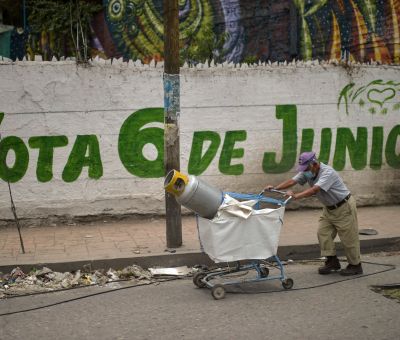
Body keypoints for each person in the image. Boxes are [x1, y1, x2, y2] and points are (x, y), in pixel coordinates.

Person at [265, 151, 363, 276]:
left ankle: (355, 265)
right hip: (329, 208)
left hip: (343, 207)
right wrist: (274, 188)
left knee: (349, 239)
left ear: (314, 164)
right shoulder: (308, 172)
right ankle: (332, 262)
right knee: (323, 234)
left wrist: (296, 196)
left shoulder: (328, 173)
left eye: (306, 168)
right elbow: (291, 181)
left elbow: (315, 189)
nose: (304, 171)